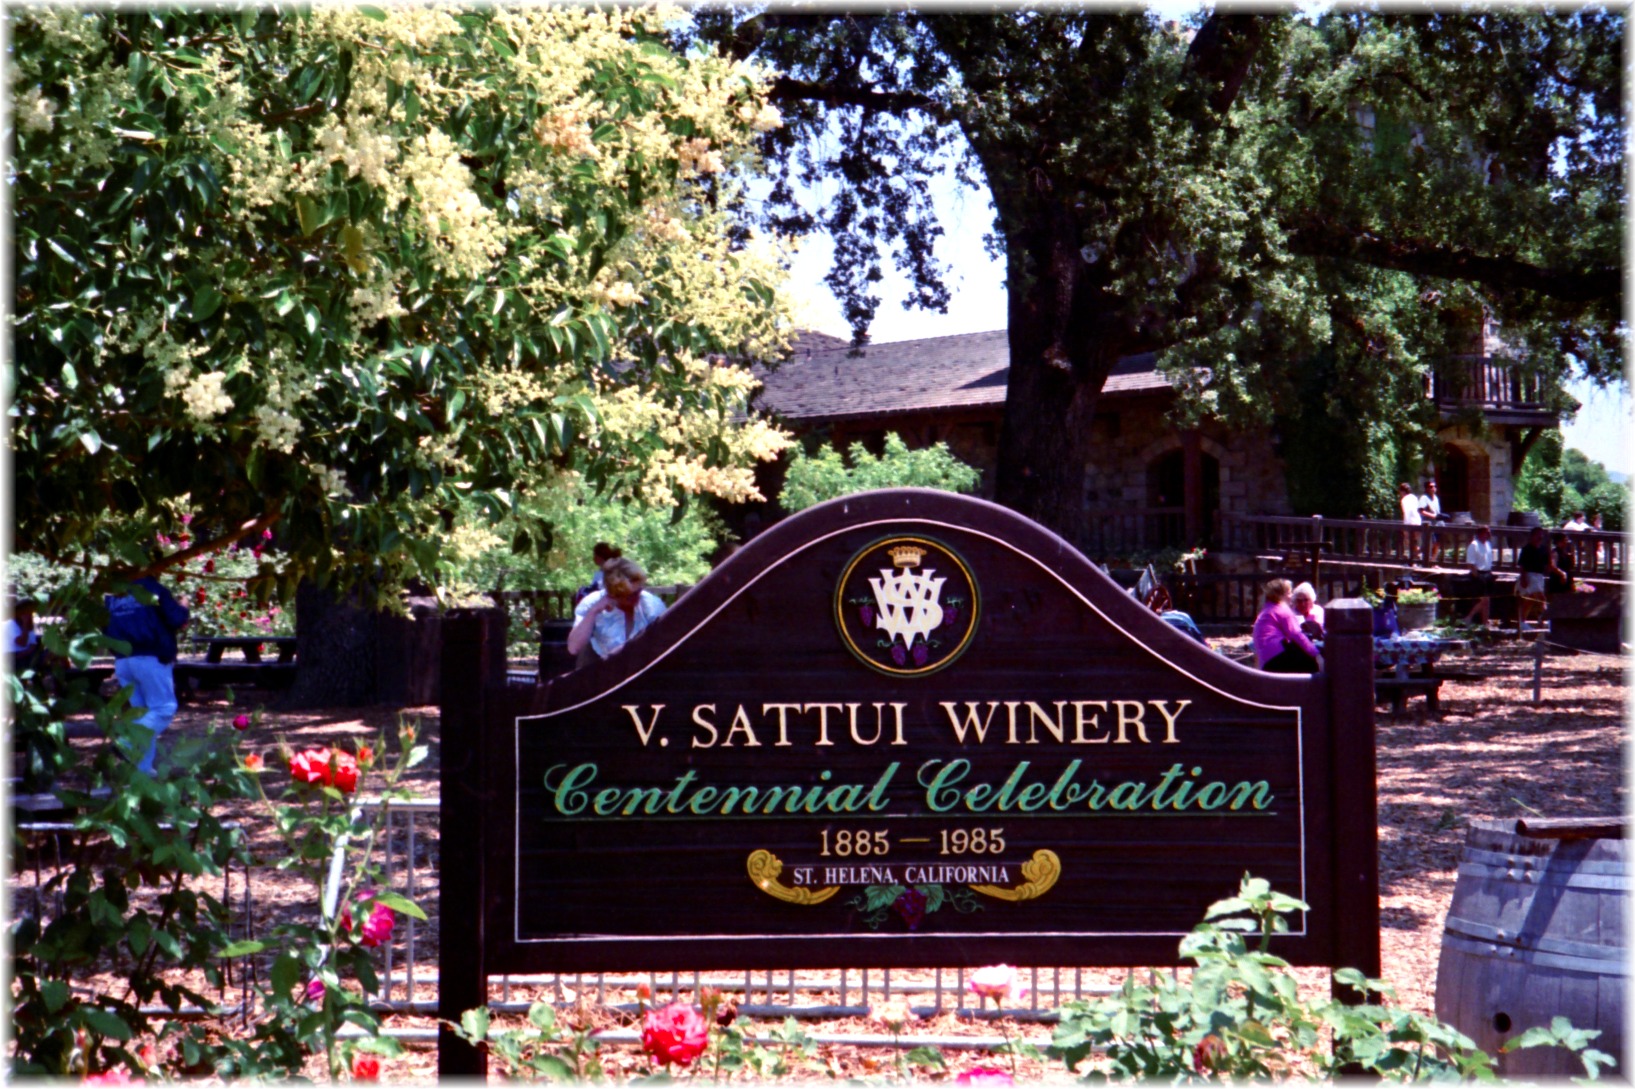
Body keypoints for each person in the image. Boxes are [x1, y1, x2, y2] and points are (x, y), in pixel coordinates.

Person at [104, 575, 191, 774]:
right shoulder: (153, 588)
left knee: (142, 714)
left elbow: (105, 627)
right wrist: (183, 606)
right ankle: (127, 742)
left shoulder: (115, 593)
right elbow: (176, 619)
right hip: (151, 657)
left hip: (124, 660)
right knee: (163, 709)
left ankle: (141, 771)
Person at [567, 556, 667, 664]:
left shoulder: (652, 604)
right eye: (628, 595)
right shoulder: (592, 602)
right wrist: (593, 611)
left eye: (638, 592)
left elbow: (664, 644)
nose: (636, 598)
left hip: (641, 663)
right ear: (612, 594)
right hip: (600, 661)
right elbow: (573, 648)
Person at [1252, 578, 1323, 674]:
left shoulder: (1268, 608)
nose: (1291, 596)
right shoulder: (1282, 610)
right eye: (1289, 593)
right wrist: (1316, 654)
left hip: (1266, 661)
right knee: (1313, 655)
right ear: (1281, 595)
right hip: (1277, 658)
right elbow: (1297, 635)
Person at [1515, 527, 1555, 632]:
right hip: (1530, 575)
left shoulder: (1544, 549)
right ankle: (1546, 619)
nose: (1540, 537)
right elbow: (1522, 566)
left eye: (1541, 535)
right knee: (1539, 598)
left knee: (1532, 600)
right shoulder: (1526, 549)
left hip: (1539, 576)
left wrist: (1551, 558)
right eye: (1538, 534)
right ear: (1532, 536)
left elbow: (1548, 566)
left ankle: (1530, 620)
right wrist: (1523, 578)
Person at [1462, 524, 1496, 625]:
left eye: (1489, 532)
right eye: (1486, 532)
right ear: (1480, 533)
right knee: (1484, 600)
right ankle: (1469, 617)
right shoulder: (1474, 545)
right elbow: (1470, 564)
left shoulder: (1488, 544)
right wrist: (1477, 576)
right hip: (1479, 574)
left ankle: (1485, 623)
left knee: (1487, 600)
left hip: (1488, 573)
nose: (1489, 534)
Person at [5, 598, 42, 671]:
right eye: (26, 611)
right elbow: (22, 642)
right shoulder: (10, 624)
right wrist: (25, 623)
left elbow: (33, 644)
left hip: (26, 656)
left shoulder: (31, 625)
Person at [1398, 482, 1422, 563]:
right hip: (1418, 521)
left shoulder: (1404, 500)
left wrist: (1406, 526)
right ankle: (1417, 557)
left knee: (1409, 541)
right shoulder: (1414, 497)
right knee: (1414, 541)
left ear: (1402, 491)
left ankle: (1414, 558)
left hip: (1410, 522)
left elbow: (1407, 513)